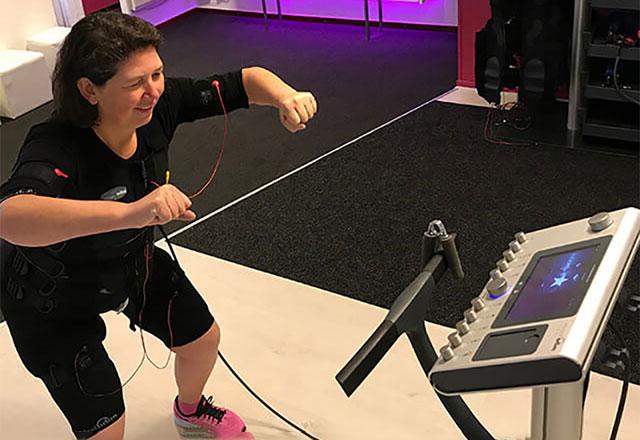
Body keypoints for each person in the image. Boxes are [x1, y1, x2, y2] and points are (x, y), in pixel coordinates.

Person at [0, 11, 317, 440]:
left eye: (158, 74)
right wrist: (134, 212)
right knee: (107, 427)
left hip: (128, 262)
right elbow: (11, 216)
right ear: (89, 89)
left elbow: (245, 81)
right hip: (51, 294)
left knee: (202, 340)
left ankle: (190, 413)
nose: (153, 91)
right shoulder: (54, 142)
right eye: (135, 83)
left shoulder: (159, 105)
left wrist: (284, 96)